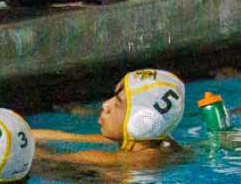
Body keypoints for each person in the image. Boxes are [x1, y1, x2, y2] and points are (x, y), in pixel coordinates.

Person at [37, 68, 193, 169]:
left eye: (117, 103)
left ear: (141, 122)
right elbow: (73, 138)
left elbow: (45, 158)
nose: (105, 105)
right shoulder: (155, 143)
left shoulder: (132, 161)